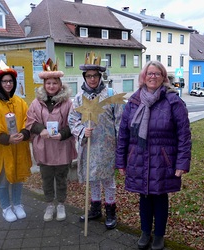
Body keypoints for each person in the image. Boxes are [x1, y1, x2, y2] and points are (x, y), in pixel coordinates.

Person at [115, 60, 191, 249]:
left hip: (163, 160)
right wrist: (121, 161)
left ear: (163, 77)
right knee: (144, 198)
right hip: (138, 158)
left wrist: (182, 163)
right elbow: (123, 133)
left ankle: (158, 235)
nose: (153, 77)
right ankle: (145, 232)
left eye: (157, 73)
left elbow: (184, 135)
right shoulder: (134, 101)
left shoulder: (173, 101)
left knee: (160, 198)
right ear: (143, 76)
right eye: (150, 73)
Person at [68, 52, 124, 229]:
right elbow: (72, 120)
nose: (92, 79)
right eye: (88, 76)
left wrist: (120, 144)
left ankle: (111, 210)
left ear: (100, 76)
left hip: (107, 146)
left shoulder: (110, 95)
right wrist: (83, 131)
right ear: (84, 77)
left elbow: (120, 121)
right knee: (92, 178)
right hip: (89, 145)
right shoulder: (78, 98)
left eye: (95, 75)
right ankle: (95, 207)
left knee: (107, 180)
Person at [0, 61, 32, 223]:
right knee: (3, 180)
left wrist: (23, 134)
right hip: (0, 149)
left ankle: (17, 204)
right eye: (5, 81)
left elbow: (27, 119)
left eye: (10, 81)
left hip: (18, 146)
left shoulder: (19, 102)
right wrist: (7, 139)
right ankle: (6, 208)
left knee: (17, 177)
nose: (8, 84)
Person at [26, 58, 77, 222]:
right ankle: (49, 205)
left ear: (60, 84)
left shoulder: (68, 103)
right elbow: (29, 122)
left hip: (62, 147)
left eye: (54, 83)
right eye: (48, 83)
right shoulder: (36, 103)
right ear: (44, 85)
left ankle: (61, 204)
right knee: (47, 178)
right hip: (44, 148)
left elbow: (74, 123)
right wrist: (41, 130)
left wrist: (62, 134)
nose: (51, 86)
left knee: (61, 178)